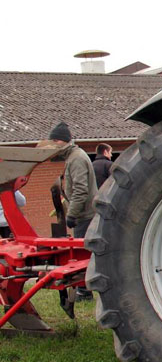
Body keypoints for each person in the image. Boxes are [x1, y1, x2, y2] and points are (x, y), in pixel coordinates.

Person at [46, 121, 97, 303]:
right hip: (84, 213)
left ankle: (84, 290)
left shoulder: (76, 159)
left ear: (64, 140)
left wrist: (72, 214)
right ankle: (84, 289)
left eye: (55, 141)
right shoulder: (73, 156)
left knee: (82, 253)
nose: (53, 145)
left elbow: (81, 190)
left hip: (85, 215)